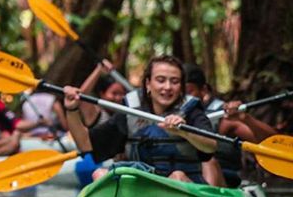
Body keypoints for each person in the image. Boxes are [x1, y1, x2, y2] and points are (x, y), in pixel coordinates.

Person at [61, 54, 224, 186]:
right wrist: (72, 109)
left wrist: (185, 132)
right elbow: (85, 145)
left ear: (181, 87)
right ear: (148, 84)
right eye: (160, 80)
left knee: (177, 176)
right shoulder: (130, 112)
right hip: (143, 183)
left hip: (184, 185)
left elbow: (210, 146)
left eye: (174, 82)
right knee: (100, 174)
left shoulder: (191, 109)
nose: (167, 87)